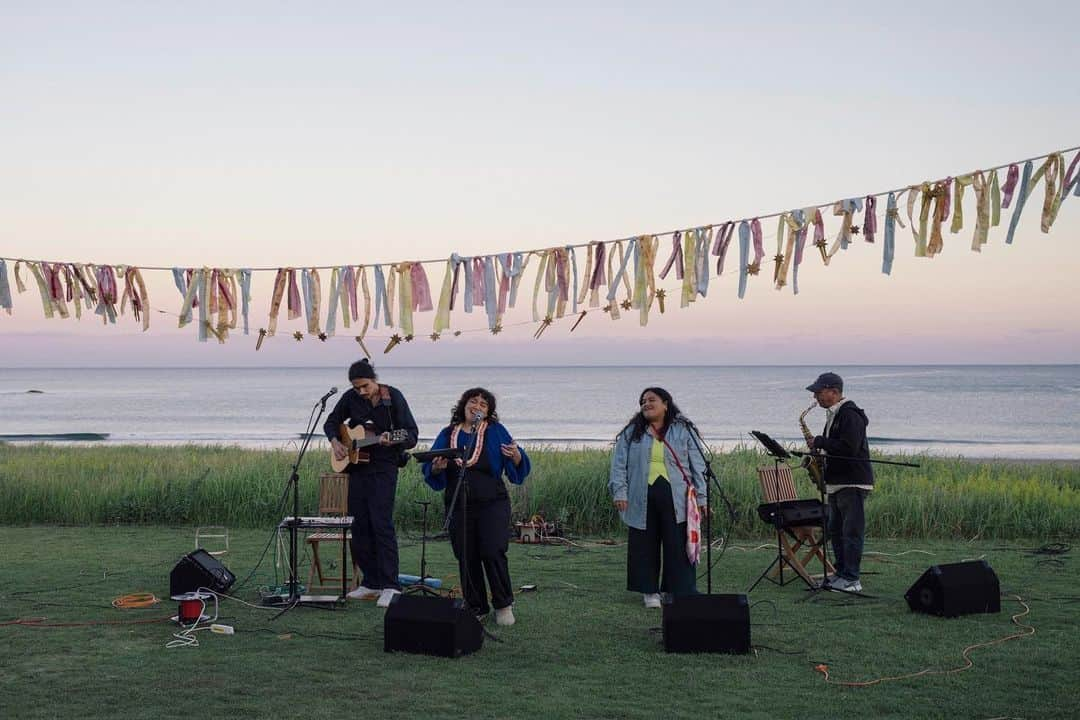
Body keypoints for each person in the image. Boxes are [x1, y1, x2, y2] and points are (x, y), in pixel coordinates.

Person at [422, 388, 530, 626]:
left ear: (489, 412)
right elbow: (431, 468)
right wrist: (437, 468)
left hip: (492, 503)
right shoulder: (448, 433)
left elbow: (517, 461)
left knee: (492, 551)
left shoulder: (496, 431)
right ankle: (476, 605)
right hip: (459, 504)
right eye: (473, 401)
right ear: (463, 406)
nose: (478, 406)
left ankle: (503, 604)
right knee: (466, 554)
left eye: (483, 404)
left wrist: (516, 457)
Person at [325, 358, 418, 607]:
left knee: (381, 524)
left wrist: (393, 440)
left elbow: (411, 434)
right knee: (359, 525)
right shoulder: (350, 398)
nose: (361, 392)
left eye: (365, 386)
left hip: (384, 468)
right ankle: (370, 582)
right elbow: (331, 422)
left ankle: (390, 585)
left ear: (374, 380)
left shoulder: (392, 398)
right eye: (356, 388)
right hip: (356, 469)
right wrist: (336, 441)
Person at [609, 387, 707, 608]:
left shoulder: (683, 429)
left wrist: (702, 498)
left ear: (666, 403)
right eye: (643, 401)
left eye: (652, 399)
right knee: (644, 543)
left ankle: (677, 590)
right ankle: (649, 592)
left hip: (677, 496)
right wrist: (620, 492)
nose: (646, 404)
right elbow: (618, 465)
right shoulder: (632, 431)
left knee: (677, 544)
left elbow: (698, 466)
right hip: (639, 495)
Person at [805, 372, 874, 594]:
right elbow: (836, 446)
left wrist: (821, 441)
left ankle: (852, 578)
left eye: (819, 392)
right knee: (835, 531)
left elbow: (849, 447)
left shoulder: (849, 414)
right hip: (836, 482)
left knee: (851, 531)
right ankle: (841, 573)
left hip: (852, 482)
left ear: (834, 392)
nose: (816, 397)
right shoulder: (833, 415)